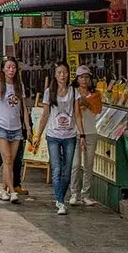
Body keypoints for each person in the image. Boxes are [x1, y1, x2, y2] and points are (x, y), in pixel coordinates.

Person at [35, 61, 80, 214]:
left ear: (69, 74)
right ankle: (60, 201)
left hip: (70, 135)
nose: (62, 75)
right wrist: (38, 135)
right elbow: (45, 115)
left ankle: (61, 198)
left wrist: (82, 134)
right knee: (56, 168)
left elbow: (78, 114)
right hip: (53, 135)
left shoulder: (74, 91)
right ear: (55, 75)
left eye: (65, 72)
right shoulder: (49, 92)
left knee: (67, 169)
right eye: (59, 72)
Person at [0, 58, 30, 203]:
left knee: (9, 161)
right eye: (8, 67)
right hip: (1, 127)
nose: (11, 70)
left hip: (16, 128)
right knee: (7, 158)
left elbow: (24, 108)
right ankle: (13, 192)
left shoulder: (19, 85)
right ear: (3, 69)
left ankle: (4, 190)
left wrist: (28, 127)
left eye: (14, 67)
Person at [68, 65, 103, 207]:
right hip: (74, 132)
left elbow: (98, 109)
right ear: (77, 78)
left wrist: (86, 103)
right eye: (81, 77)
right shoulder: (72, 93)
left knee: (88, 165)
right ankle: (74, 193)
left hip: (90, 132)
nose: (84, 80)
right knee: (75, 164)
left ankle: (86, 194)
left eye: (86, 77)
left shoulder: (95, 94)